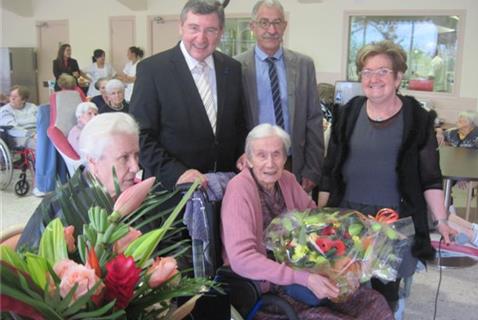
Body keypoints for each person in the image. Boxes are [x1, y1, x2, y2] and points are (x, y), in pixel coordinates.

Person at [318, 40, 456, 312]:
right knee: (342, 292)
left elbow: (430, 177)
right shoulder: (348, 113)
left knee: (384, 296)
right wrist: (321, 215)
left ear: (398, 76)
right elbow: (330, 169)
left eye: (382, 71)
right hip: (348, 218)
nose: (373, 78)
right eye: (367, 72)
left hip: (392, 222)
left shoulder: (417, 118)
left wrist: (441, 220)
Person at [221, 124, 394, 319]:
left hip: (306, 276)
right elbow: (242, 259)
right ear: (249, 160)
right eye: (261, 155)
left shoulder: (286, 179)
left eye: (276, 154)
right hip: (268, 289)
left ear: (285, 158)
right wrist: (305, 279)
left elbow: (320, 223)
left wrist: (352, 256)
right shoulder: (239, 190)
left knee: (374, 304)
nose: (270, 163)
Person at [130, 0, 246, 191]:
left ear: (221, 32)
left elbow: (239, 123)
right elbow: (140, 135)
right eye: (194, 28)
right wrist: (176, 173)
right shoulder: (153, 70)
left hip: (225, 190)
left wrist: (242, 153)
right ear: (180, 27)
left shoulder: (232, 68)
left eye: (210, 30)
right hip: (172, 193)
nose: (201, 38)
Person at [17, 112, 140, 251]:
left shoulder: (139, 197)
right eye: (124, 158)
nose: (136, 167)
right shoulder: (60, 209)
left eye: (136, 155)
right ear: (93, 161)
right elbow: (26, 265)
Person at [235, 0, 323, 193]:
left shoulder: (304, 65)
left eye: (277, 22)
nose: (272, 30)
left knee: (295, 219)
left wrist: (313, 168)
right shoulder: (236, 66)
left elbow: (314, 119)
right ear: (253, 27)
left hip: (293, 162)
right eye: (264, 22)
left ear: (284, 26)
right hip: (253, 165)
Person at [0, 85, 38, 150]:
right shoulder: (5, 110)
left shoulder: (32, 107)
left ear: (24, 99)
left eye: (15, 97)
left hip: (37, 132)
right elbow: (12, 129)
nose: (12, 99)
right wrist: (31, 134)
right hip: (19, 136)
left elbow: (42, 121)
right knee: (38, 144)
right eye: (10, 96)